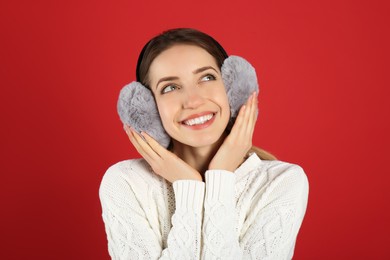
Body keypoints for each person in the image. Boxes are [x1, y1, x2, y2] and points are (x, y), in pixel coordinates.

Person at [99, 28, 309, 259]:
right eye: (170, 87)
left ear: (233, 90)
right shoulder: (126, 182)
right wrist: (188, 185)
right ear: (147, 110)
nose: (193, 101)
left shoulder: (282, 181)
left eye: (207, 77)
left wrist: (219, 177)